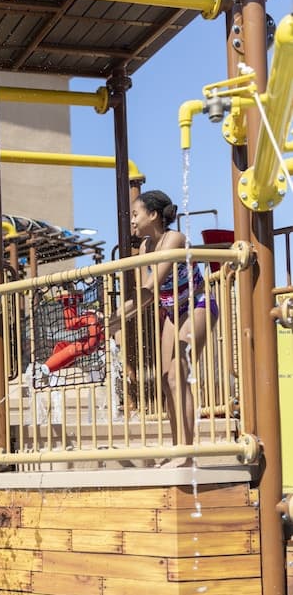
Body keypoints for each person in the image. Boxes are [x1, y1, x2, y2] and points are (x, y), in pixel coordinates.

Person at [111, 189, 219, 463]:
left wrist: (116, 317)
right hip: (172, 311)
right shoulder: (145, 247)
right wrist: (114, 320)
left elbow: (150, 288)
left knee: (177, 375)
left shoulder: (174, 239)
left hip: (197, 304)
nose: (132, 220)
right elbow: (145, 297)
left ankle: (187, 453)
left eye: (136, 214)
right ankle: (176, 448)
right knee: (165, 378)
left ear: (153, 215)